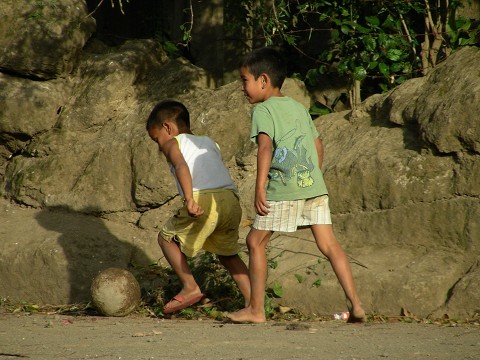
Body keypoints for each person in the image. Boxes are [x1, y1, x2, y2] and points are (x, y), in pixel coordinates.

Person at [226, 47, 366, 324]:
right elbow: (317, 144)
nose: (242, 87)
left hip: (284, 187)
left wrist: (260, 187)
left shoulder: (264, 110)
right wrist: (313, 177)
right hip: (313, 185)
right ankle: (357, 305)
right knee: (329, 244)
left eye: (245, 80)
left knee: (255, 241)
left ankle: (256, 309)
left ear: (263, 80)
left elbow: (265, 147)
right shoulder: (298, 108)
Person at [146, 100, 251, 314]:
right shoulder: (209, 142)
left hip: (203, 198)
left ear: (168, 127)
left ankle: (190, 287)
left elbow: (182, 165)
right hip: (230, 201)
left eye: (156, 140)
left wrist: (189, 199)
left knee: (165, 238)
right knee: (228, 255)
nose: (159, 146)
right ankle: (255, 303)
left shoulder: (172, 143)